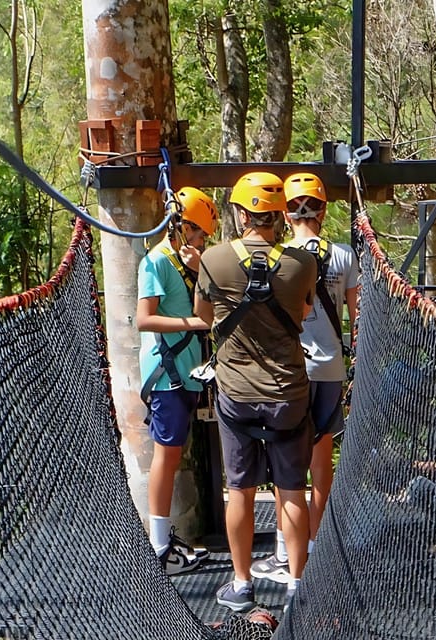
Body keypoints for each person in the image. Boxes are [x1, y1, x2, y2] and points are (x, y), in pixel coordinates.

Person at [194, 172, 317, 612]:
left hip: (237, 394)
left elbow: (203, 314)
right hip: (288, 392)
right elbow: (303, 313)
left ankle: (243, 582)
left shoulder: (214, 259)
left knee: (241, 489)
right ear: (279, 214)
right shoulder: (303, 262)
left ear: (241, 213)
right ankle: (298, 583)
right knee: (291, 489)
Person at [250, 172, 359, 584]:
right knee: (320, 462)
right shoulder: (345, 256)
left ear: (285, 211)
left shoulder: (276, 257)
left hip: (290, 369)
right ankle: (314, 548)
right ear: (323, 209)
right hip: (330, 368)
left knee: (286, 461)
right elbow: (358, 316)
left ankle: (284, 551)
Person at [137, 186, 219, 575]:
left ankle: (164, 541)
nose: (202, 240)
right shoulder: (155, 262)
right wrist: (193, 323)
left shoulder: (189, 263)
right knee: (166, 456)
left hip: (186, 371)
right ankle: (157, 546)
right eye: (199, 233)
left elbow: (210, 311)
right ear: (181, 227)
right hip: (167, 372)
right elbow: (144, 318)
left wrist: (201, 268)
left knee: (172, 453)